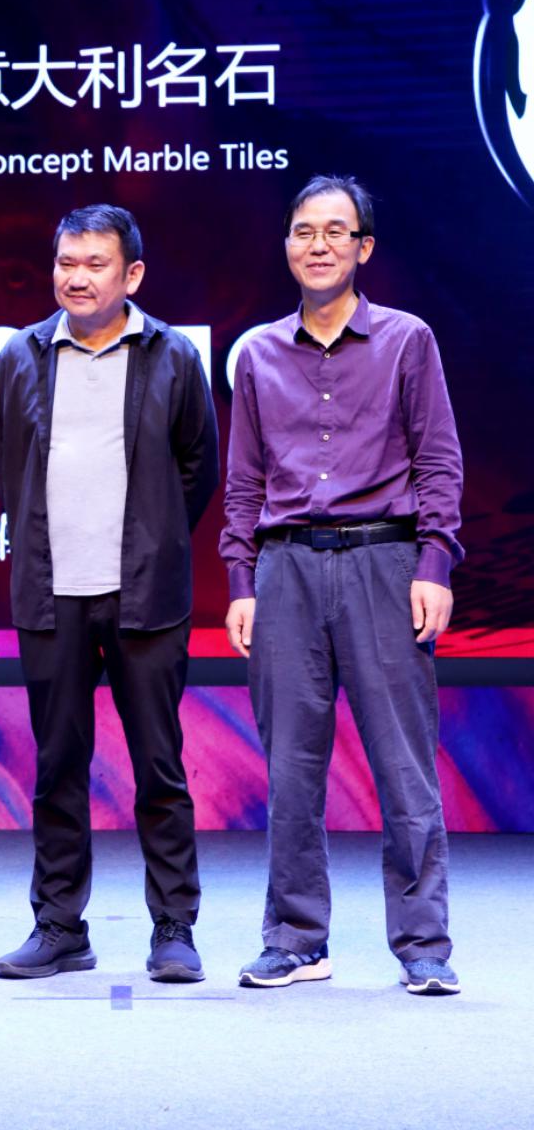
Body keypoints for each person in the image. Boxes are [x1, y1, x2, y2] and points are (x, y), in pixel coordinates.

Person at [221, 175, 463, 996]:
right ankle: (296, 940)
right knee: (291, 769)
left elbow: (438, 462)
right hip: (285, 568)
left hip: (384, 564)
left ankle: (423, 944)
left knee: (404, 766)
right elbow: (244, 481)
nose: (317, 245)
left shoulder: (406, 340)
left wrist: (434, 565)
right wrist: (241, 580)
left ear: (364, 248)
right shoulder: (258, 353)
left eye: (336, 231)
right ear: (286, 244)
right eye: (303, 230)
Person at [0, 204, 219, 982]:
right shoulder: (19, 356)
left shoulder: (173, 356)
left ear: (133, 275)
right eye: (66, 262)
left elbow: (197, 469)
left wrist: (151, 539)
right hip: (51, 592)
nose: (77, 278)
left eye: (95, 264)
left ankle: (174, 927)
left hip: (145, 595)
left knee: (159, 767)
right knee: (57, 765)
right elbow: (7, 471)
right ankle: (59, 926)